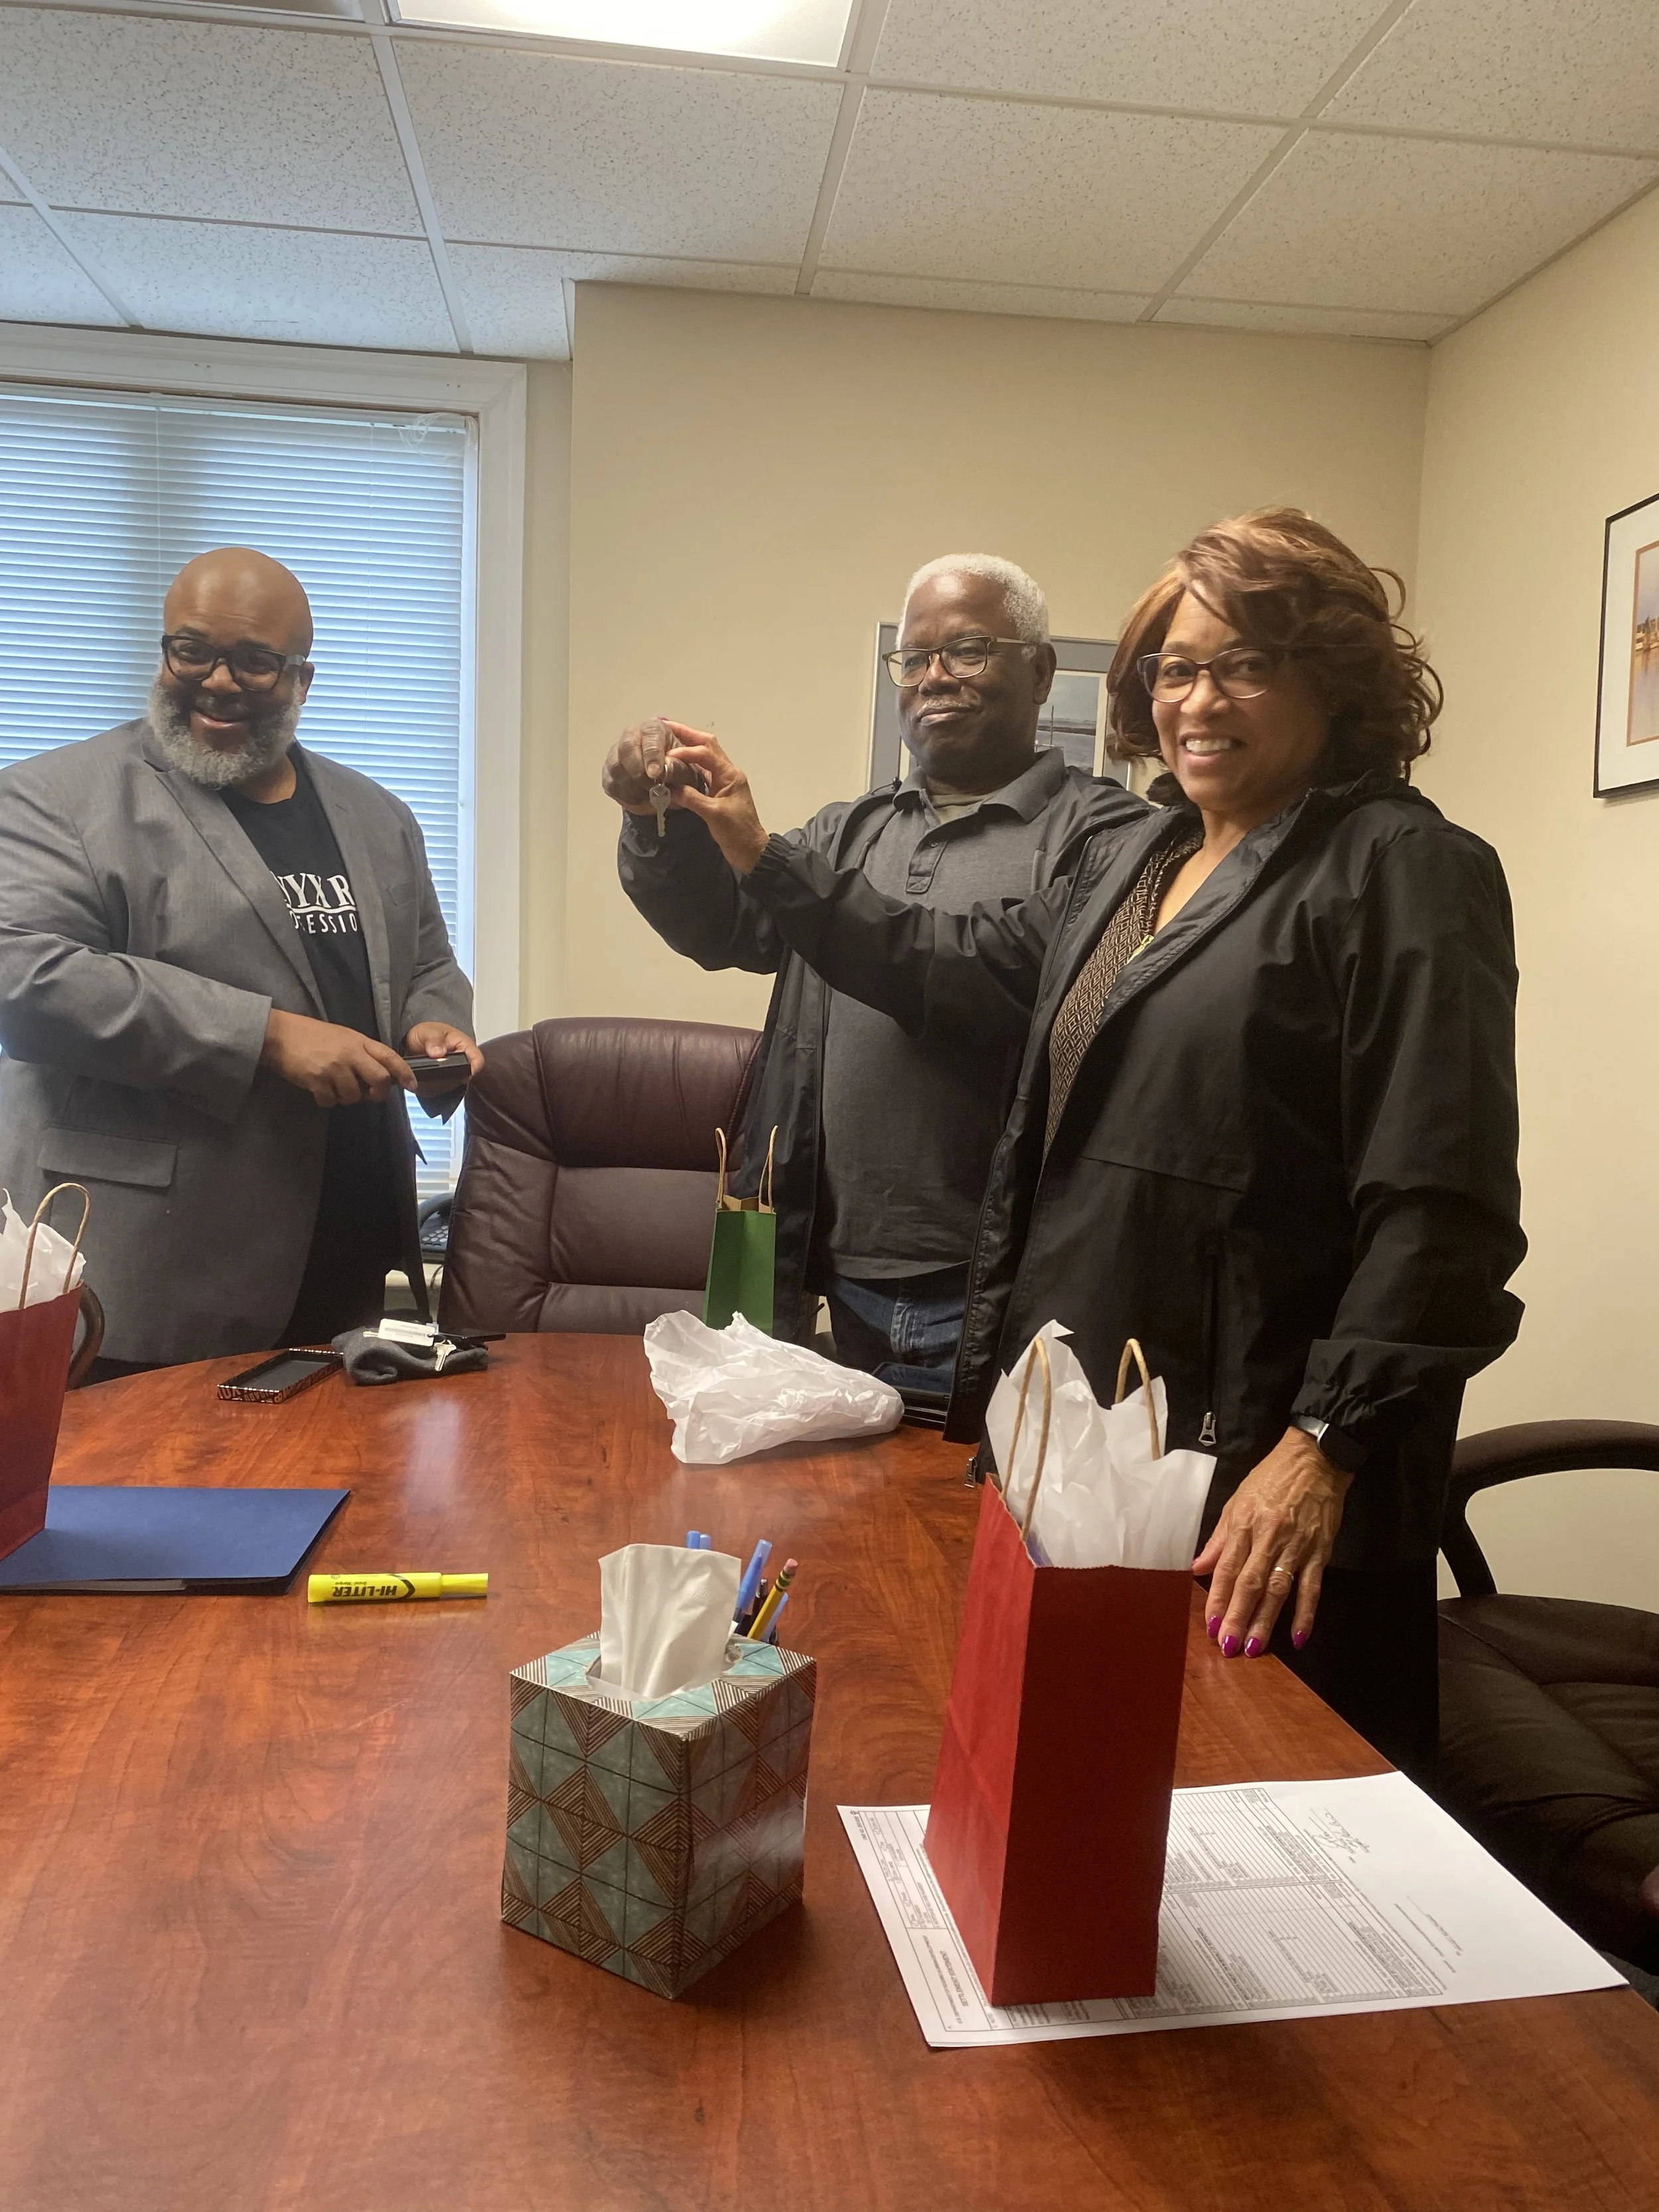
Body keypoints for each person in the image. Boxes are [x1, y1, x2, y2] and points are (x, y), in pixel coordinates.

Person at [645, 511, 1524, 1779]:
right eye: (1173, 668)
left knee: (1258, 1813)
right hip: (1093, 1419)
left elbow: (1442, 1208)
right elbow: (940, 961)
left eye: (1245, 663)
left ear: (1334, 677)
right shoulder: (1147, 855)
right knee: (1074, 1781)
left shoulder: (1405, 869)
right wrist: (756, 851)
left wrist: (1322, 1446)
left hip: (1261, 1453)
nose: (1198, 700)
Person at [601, 553, 1144, 1396]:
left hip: (1003, 1294)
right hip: (837, 1279)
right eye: (915, 658)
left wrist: (769, 859)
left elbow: (976, 974)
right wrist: (655, 824)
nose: (934, 678)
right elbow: (725, 929)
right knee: (852, 1522)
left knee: (970, 1525)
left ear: (1039, 672)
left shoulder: (1107, 837)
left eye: (966, 651)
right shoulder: (849, 832)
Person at [0, 546, 482, 1373]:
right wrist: (265, 1035)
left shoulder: (378, 815)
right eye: (191, 650)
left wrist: (436, 1023)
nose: (218, 681)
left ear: (303, 679)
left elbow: (425, 960)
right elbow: (25, 979)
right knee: (143, 1502)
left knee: (340, 1498)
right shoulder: (55, 797)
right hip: (154, 1276)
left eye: (256, 662)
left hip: (348, 1257)